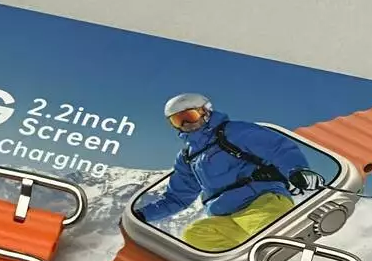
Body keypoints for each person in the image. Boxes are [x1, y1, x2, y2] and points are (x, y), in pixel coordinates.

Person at [138, 93, 322, 252]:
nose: (186, 124)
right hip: (226, 216)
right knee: (195, 235)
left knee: (265, 232)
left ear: (206, 112)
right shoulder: (188, 157)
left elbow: (277, 148)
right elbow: (177, 198)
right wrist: (143, 215)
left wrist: (297, 170)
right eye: (178, 120)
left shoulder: (234, 132)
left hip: (262, 202)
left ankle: (280, 257)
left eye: (190, 116)